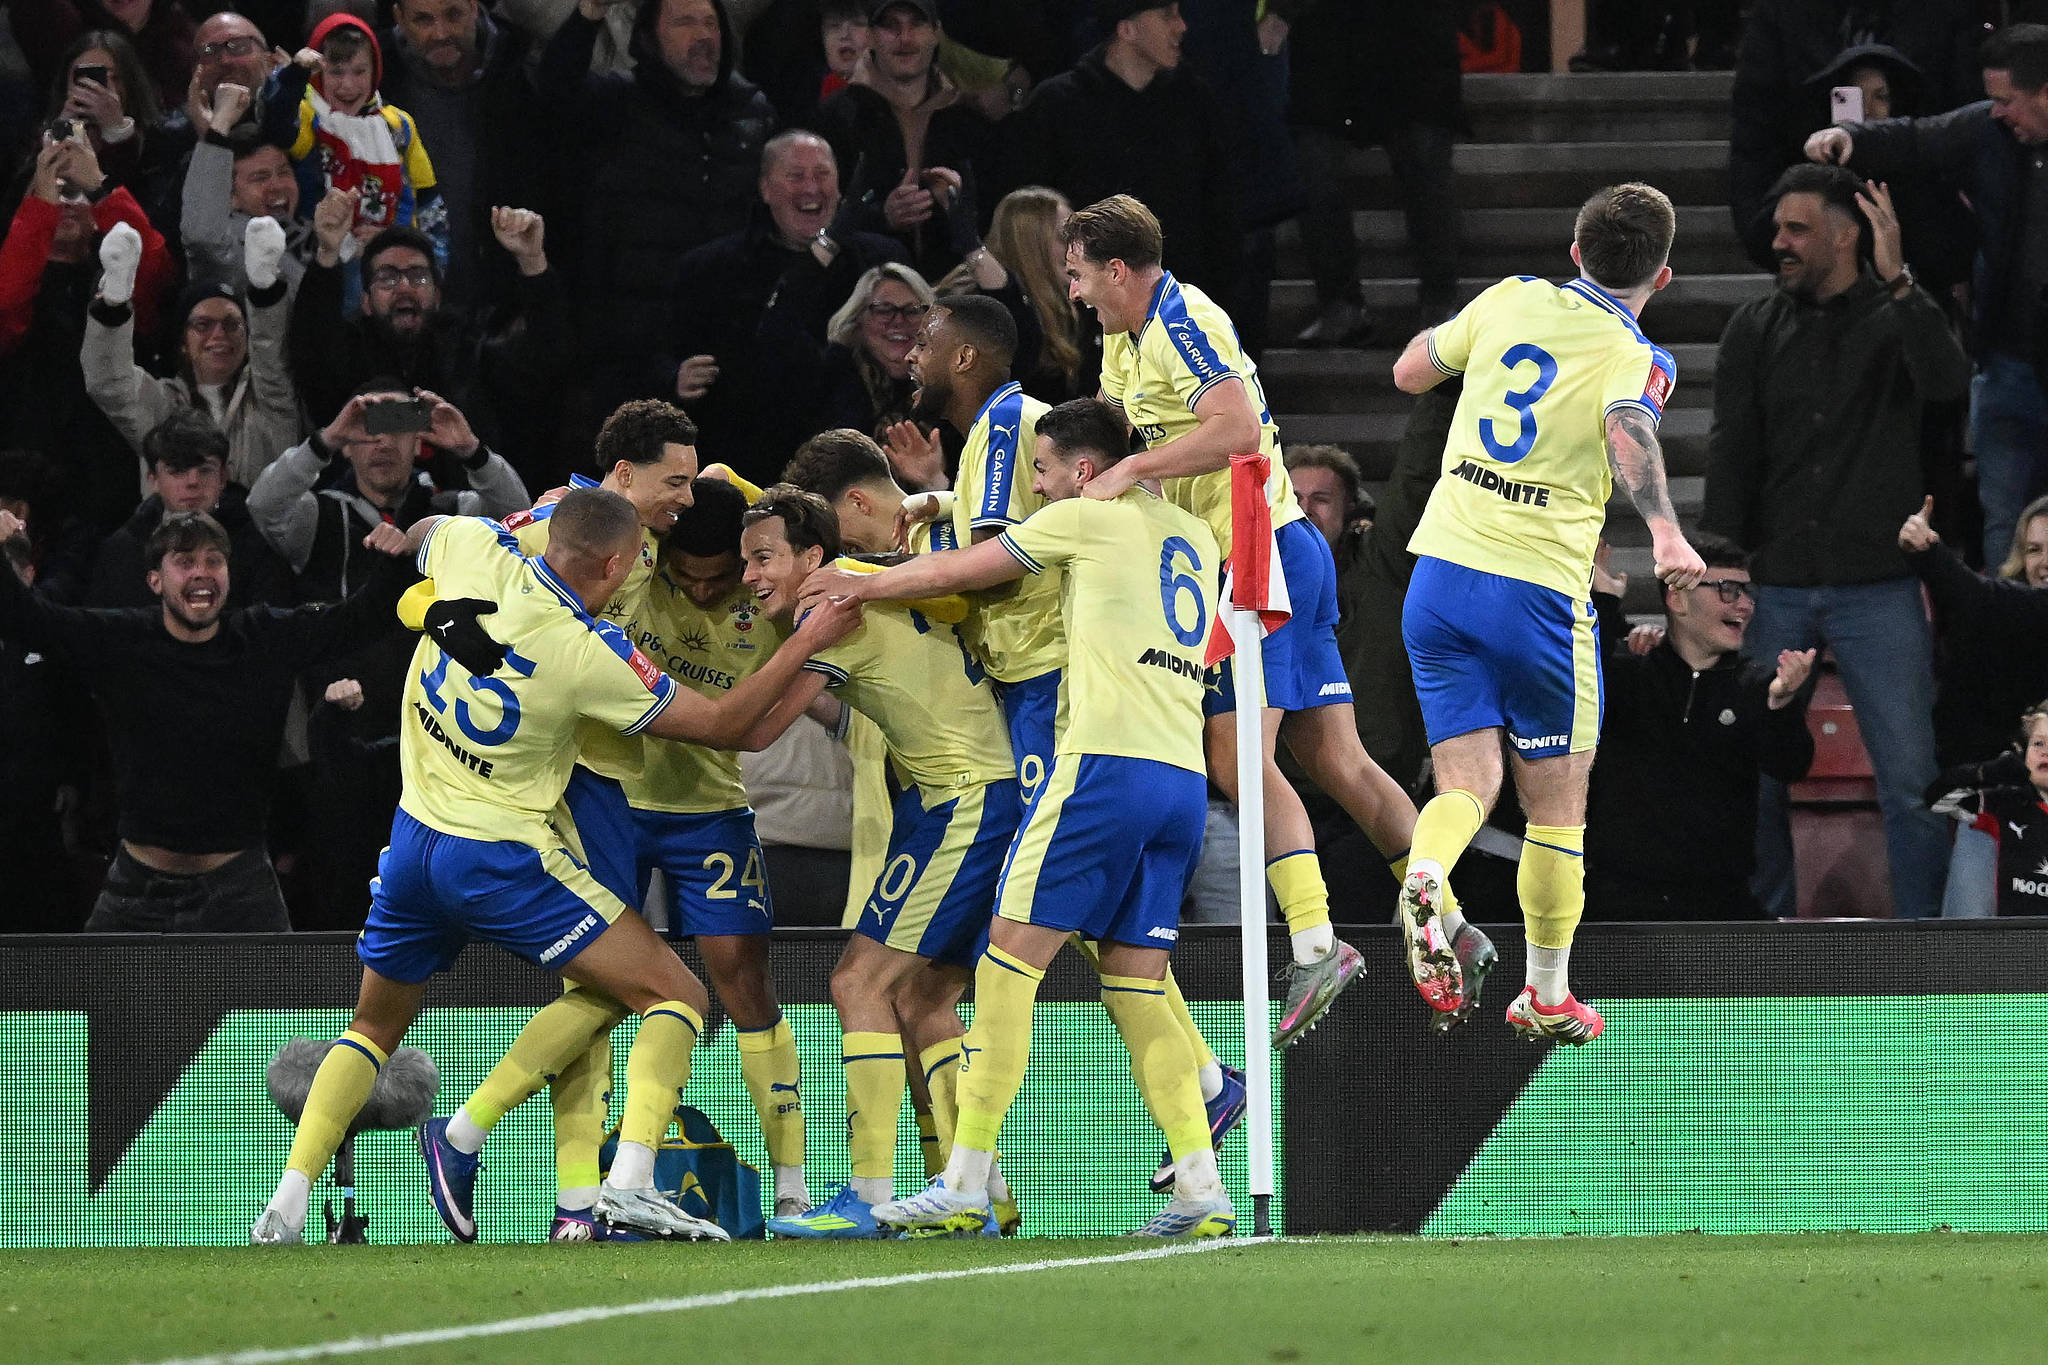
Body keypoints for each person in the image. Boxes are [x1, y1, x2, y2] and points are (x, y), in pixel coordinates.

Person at [248, 490, 863, 1245]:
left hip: (412, 840)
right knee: (675, 993)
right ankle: (628, 1186)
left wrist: (428, 599)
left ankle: (286, 1202)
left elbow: (421, 531)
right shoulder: (585, 650)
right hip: (499, 858)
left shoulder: (476, 551)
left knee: (372, 1026)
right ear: (613, 563)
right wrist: (813, 640)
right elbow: (723, 725)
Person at [800, 397, 1234, 1238]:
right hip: (1180, 779)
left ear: (1082, 470)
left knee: (1005, 965)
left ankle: (964, 1180)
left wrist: (860, 580)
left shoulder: (1081, 517)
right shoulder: (1194, 536)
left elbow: (964, 572)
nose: (1032, 485)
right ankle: (1201, 1184)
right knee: (1136, 986)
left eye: (1041, 470)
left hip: (1102, 766)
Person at [1066, 194, 1433, 1038]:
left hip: (1256, 550)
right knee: (1335, 757)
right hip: (1270, 549)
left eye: (1082, 275)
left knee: (1236, 754)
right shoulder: (1123, 342)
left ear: (1118, 268)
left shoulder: (1181, 315)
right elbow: (1127, 440)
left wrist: (1131, 472)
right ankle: (1444, 918)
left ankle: (1314, 943)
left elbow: (1233, 429)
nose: (1078, 293)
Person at [1391, 181, 1705, 1043]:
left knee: (1465, 781)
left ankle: (1427, 870)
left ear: (1574, 252)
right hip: (1535, 594)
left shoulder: (1509, 298)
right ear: (1664, 277)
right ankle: (1548, 992)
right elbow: (1629, 430)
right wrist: (1667, 535)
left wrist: (1463, 347)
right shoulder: (1639, 354)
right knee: (1556, 803)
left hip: (1441, 574)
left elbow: (1411, 370)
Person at [735, 485, 1020, 1239]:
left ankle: (868, 1192)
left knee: (857, 981)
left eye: (764, 557)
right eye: (744, 560)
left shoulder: (831, 609)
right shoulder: (878, 584)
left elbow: (757, 727)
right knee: (923, 996)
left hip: (963, 800)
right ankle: (982, 1191)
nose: (749, 575)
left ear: (813, 558)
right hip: (965, 795)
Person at [1702, 163, 1969, 920]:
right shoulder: (1753, 326)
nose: (1778, 242)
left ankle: (1925, 956)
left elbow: (1949, 382)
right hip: (1776, 580)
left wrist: (1901, 283)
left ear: (1847, 235)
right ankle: (1765, 943)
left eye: (1797, 230)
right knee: (1754, 778)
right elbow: (1731, 450)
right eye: (1778, 228)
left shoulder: (1898, 316)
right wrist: (1716, 565)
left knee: (1913, 783)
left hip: (1878, 584)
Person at [0, 504, 415, 934]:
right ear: (155, 581)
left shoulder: (263, 637)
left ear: (228, 575)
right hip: (136, 889)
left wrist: (395, 557)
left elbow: (358, 621)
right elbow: (26, 619)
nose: (202, 571)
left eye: (213, 560)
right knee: (99, 1001)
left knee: (282, 1002)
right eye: (184, 561)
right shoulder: (121, 639)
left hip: (242, 887)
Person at [1804, 23, 2048, 569]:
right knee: (2005, 524)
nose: (1997, 111)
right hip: (2006, 363)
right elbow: (1916, 137)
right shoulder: (1988, 131)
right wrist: (1853, 139)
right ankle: (2005, 647)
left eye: (2007, 100)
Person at [540, 0, 776, 392]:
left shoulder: (753, 111)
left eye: (710, 24)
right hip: (633, 348)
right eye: (685, 23)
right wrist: (589, 15)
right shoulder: (617, 102)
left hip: (731, 339)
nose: (703, 36)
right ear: (649, 39)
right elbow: (556, 89)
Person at [1585, 535, 1816, 920]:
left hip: (1721, 906)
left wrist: (1781, 705)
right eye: (1728, 590)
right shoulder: (1633, 673)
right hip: (1617, 906)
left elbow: (1791, 765)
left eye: (1747, 592)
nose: (1745, 604)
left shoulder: (1756, 683)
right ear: (1677, 599)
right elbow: (1577, 680)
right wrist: (1605, 601)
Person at [658, 129, 908, 484]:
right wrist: (673, 377)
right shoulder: (711, 269)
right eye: (795, 176)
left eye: (822, 175)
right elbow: (657, 352)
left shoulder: (881, 260)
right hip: (746, 460)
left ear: (841, 187)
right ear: (765, 189)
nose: (811, 188)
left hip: (860, 462)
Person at [287, 213, 567, 488]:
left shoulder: (467, 348)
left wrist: (532, 262)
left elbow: (542, 360)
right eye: (387, 278)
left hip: (463, 513)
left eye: (418, 277)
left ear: (437, 297)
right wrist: (327, 253)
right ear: (366, 302)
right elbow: (309, 349)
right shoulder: (346, 353)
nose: (404, 288)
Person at [1001, 3, 1240, 306]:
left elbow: (1221, 206)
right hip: (1082, 309)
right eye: (1167, 15)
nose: (1181, 26)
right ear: (1126, 29)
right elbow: (1030, 214)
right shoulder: (1057, 105)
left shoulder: (1195, 102)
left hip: (1179, 306)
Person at [0, 135, 169, 534]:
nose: (64, 202)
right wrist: (40, 206)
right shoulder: (16, 272)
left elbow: (155, 270)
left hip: (113, 470)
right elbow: (5, 303)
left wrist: (100, 187)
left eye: (75, 192)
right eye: (51, 191)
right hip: (22, 472)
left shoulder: (115, 270)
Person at [1268, 0, 1464, 340]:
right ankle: (1342, 305)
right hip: (1330, 47)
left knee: (1424, 159)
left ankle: (1440, 302)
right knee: (1313, 167)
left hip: (1410, 44)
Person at [1899, 495, 2048, 919]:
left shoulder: (2007, 608)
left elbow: (1986, 600)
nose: (2043, 562)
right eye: (2034, 549)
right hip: (2002, 812)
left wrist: (1931, 554)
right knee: (1967, 963)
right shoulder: (2001, 621)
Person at [84, 220, 302, 491]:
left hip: (262, 532)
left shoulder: (270, 397)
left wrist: (265, 289)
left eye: (232, 324)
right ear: (183, 342)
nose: (219, 334)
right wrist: (113, 305)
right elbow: (109, 383)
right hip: (178, 532)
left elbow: (271, 353)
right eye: (203, 325)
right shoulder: (163, 404)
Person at [814, 0, 996, 280]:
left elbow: (991, 210)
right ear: (872, 37)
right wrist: (882, 217)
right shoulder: (836, 117)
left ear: (936, 33)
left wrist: (959, 211)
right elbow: (817, 212)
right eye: (891, 26)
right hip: (861, 289)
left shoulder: (967, 120)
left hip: (955, 290)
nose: (905, 38)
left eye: (916, 24)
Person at [381, 0, 545, 309]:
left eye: (453, 14)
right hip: (409, 308)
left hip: (506, 304)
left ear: (474, 7)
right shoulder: (375, 76)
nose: (441, 33)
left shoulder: (524, 66)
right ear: (399, 18)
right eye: (423, 20)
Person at [261, 15, 447, 265]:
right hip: (325, 266)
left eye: (360, 71)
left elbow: (429, 205)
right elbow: (276, 125)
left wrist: (399, 244)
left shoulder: (400, 124)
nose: (348, 85)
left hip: (393, 266)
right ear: (318, 72)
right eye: (336, 72)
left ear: (375, 70)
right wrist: (295, 73)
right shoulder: (308, 115)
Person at [87, 408, 290, 610]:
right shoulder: (122, 550)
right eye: (177, 470)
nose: (193, 481)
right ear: (153, 480)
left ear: (223, 477)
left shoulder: (256, 544)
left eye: (205, 470)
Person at [1928, 701, 2048, 917]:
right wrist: (1984, 772)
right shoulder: (2003, 804)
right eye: (2038, 744)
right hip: (2011, 943)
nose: (2045, 753)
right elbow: (1937, 801)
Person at [180, 118, 313, 298]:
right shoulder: (226, 249)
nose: (278, 185)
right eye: (260, 178)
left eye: (283, 172)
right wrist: (220, 123)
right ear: (231, 197)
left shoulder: (313, 234)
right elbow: (201, 237)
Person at [818, 261, 934, 441]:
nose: (898, 321)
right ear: (858, 319)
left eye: (912, 310)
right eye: (884, 310)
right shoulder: (829, 377)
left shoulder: (947, 386)